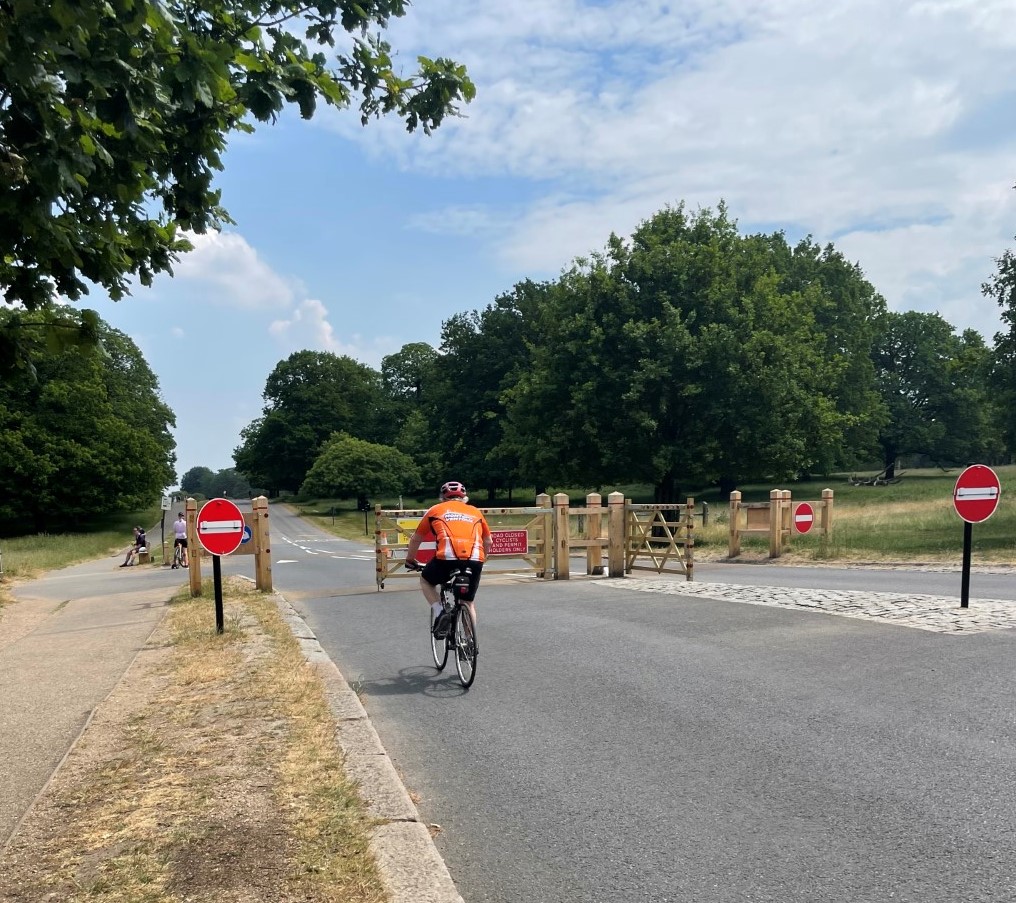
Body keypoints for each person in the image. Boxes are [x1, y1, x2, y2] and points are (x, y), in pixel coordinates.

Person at [405, 481, 492, 638]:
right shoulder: (475, 512)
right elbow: (488, 541)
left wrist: (410, 559)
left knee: (426, 581)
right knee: (468, 602)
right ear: (464, 497)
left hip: (446, 558)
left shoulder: (435, 510)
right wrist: (481, 560)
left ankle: (440, 612)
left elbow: (416, 538)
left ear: (442, 498)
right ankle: (470, 641)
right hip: (474, 559)